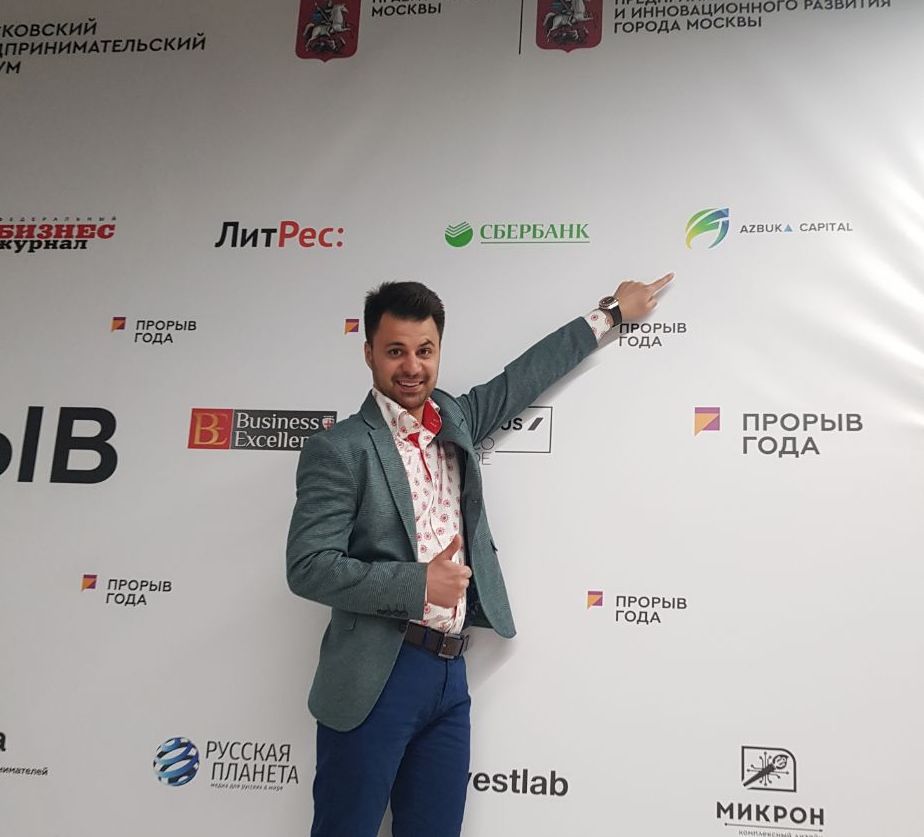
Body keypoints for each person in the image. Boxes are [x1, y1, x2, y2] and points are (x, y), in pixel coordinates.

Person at [286, 274, 673, 837]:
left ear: (439, 351)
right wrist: (419, 583)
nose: (412, 367)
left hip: (449, 677)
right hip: (375, 676)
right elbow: (308, 566)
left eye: (424, 351)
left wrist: (610, 314)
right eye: (395, 352)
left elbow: (525, 376)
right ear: (368, 352)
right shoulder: (340, 449)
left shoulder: (455, 419)